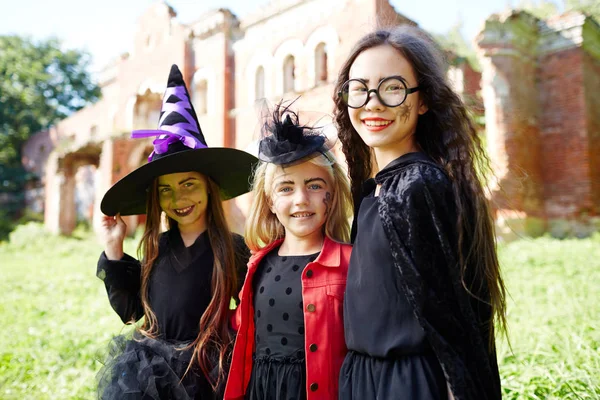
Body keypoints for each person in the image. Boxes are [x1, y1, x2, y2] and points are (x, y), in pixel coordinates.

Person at [333, 25, 507, 400]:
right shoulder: (375, 189)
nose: (373, 103)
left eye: (393, 87)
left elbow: (454, 323)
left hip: (408, 384)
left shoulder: (418, 186)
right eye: (359, 88)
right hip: (363, 380)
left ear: (423, 100)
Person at [96, 64, 257, 400]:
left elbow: (252, 313)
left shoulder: (232, 249)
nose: (179, 198)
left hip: (208, 371)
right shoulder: (157, 248)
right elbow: (131, 312)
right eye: (166, 189)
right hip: (150, 372)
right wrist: (114, 249)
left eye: (189, 184)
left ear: (210, 188)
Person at [223, 102, 353, 400]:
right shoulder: (258, 263)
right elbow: (242, 328)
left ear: (331, 196)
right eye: (286, 188)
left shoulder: (351, 262)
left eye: (314, 186)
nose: (301, 199)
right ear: (269, 201)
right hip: (262, 390)